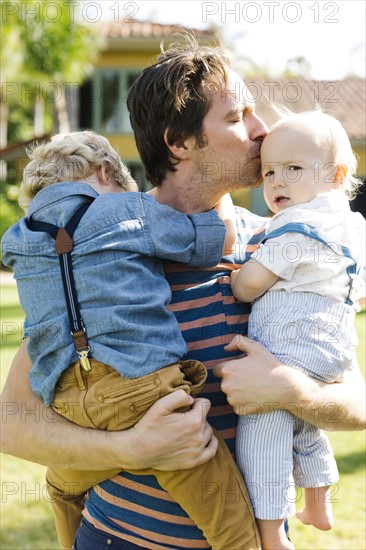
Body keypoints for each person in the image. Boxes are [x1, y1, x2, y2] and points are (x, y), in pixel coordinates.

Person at [1, 37, 365, 550]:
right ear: (180, 142)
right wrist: (130, 447)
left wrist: (291, 392)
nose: (262, 131)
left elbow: (358, 400)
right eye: (238, 117)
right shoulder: (103, 256)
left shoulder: (289, 243)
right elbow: (13, 422)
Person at [1, 130, 260, 550]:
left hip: (70, 404)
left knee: (63, 481)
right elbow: (218, 241)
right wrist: (224, 194)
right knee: (233, 529)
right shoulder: (127, 210)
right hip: (143, 394)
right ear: (106, 172)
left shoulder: (17, 238)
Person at [229, 111, 366, 550]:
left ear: (336, 175)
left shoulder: (299, 226)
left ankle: (272, 534)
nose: (277, 182)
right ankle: (318, 500)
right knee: (303, 422)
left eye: (293, 169)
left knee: (262, 428)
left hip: (292, 338)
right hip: (332, 345)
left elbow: (251, 286)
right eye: (269, 171)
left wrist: (235, 276)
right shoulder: (349, 225)